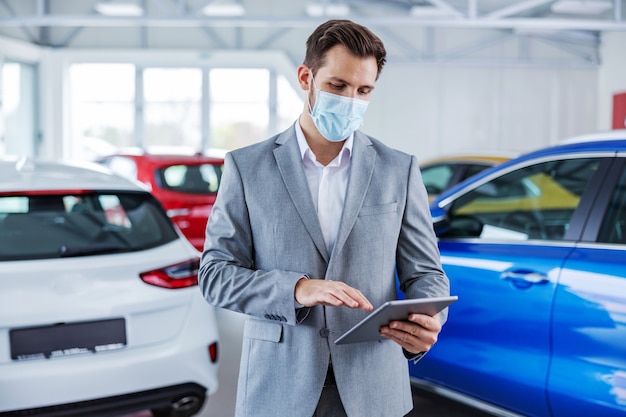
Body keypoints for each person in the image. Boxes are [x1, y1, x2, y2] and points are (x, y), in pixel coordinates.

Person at [199, 19, 450, 417]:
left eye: (363, 90)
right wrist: (297, 289)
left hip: (373, 388)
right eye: (338, 86)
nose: (351, 99)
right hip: (279, 388)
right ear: (306, 77)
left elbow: (426, 273)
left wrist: (426, 319)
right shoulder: (246, 167)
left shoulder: (398, 170)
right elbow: (214, 275)